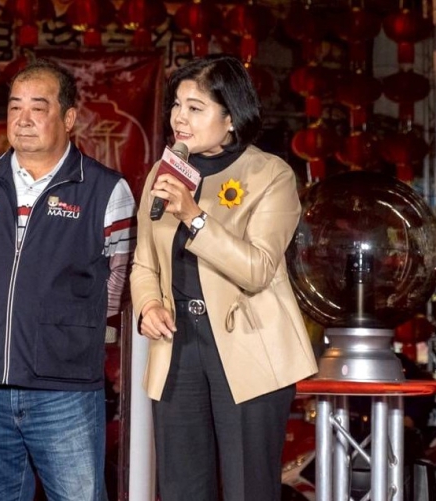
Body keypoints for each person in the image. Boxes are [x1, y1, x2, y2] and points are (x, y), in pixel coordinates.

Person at [130, 54, 318, 501]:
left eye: (196, 108)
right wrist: (148, 304)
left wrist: (194, 217)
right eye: (177, 105)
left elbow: (257, 269)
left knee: (247, 488)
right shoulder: (163, 173)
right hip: (178, 345)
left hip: (248, 348)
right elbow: (144, 262)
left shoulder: (270, 174)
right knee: (180, 488)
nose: (180, 118)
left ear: (231, 117)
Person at [0, 59, 136, 501]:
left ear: (69, 118)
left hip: (65, 388)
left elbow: (120, 278)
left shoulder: (105, 189)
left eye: (38, 108)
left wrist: (65, 324)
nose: (23, 119)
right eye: (15, 107)